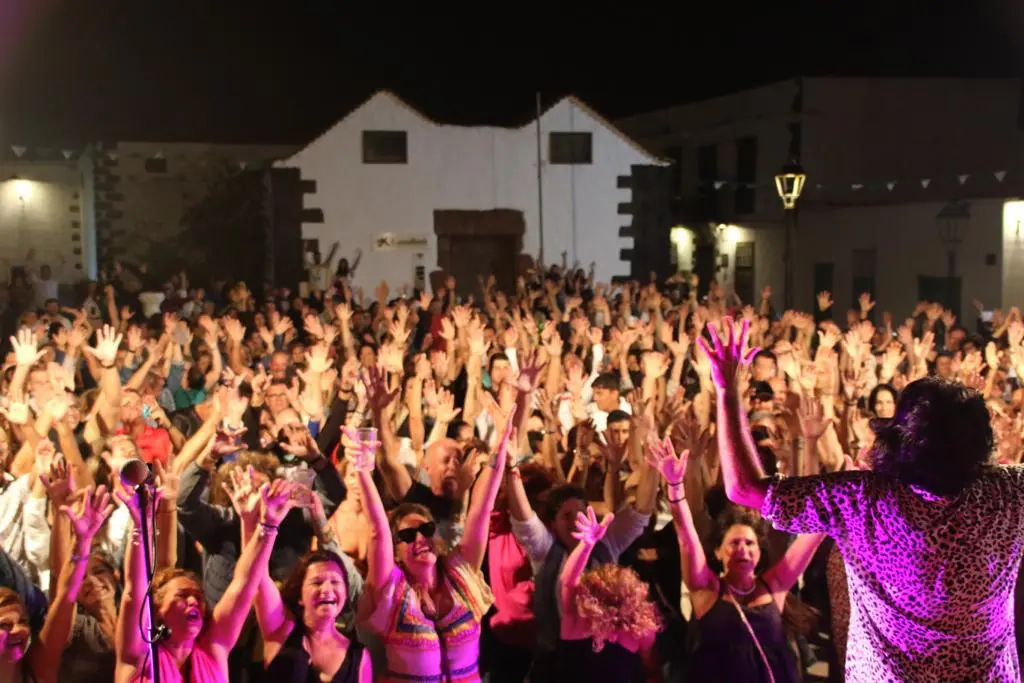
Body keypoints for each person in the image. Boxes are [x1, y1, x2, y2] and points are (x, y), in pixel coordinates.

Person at [700, 317, 1024, 682]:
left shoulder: (861, 499)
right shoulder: (1009, 492)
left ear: (901, 442)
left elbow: (744, 488)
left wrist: (727, 390)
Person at [350, 413, 512, 683]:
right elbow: (378, 530)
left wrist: (501, 446)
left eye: (426, 530)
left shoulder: (459, 573)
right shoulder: (391, 589)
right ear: (396, 551)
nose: (420, 539)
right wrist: (362, 469)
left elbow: (481, 510)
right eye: (407, 535)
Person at [115, 475, 298, 682]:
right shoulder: (140, 654)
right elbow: (135, 591)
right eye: (182, 595)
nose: (194, 601)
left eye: (198, 597)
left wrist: (269, 525)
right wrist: (141, 525)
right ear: (156, 609)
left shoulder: (213, 649)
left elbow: (243, 586)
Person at [226, 466, 372, 683]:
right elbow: (256, 577)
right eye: (317, 582)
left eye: (335, 581)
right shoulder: (281, 629)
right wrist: (251, 522)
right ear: (300, 596)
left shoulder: (359, 656)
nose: (327, 589)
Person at [0, 484, 114, 683]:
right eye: (5, 625)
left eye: (23, 622)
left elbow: (66, 596)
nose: (18, 630)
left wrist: (82, 543)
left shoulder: (38, 667)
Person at [554, 505, 662, 683]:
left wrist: (586, 545)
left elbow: (568, 580)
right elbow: (651, 671)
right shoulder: (639, 631)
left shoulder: (576, 618)